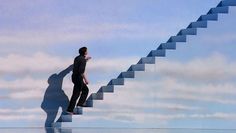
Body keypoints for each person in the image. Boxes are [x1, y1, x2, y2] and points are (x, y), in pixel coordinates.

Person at [67, 47, 91, 114]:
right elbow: (81, 71)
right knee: (76, 94)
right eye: (87, 51)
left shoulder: (77, 58)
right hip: (78, 78)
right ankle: (70, 110)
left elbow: (79, 64)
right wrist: (86, 80)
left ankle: (79, 104)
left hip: (74, 77)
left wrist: (86, 60)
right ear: (85, 52)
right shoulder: (82, 60)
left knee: (85, 90)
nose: (87, 51)